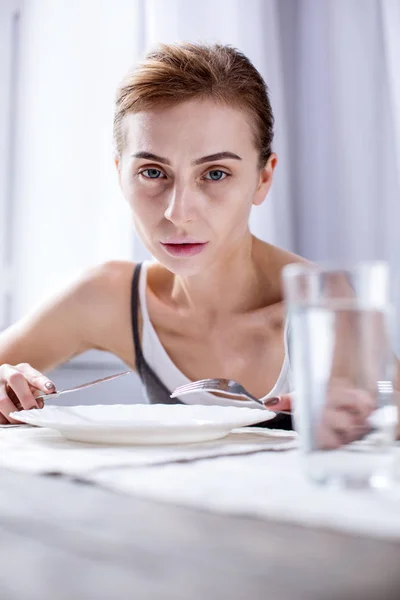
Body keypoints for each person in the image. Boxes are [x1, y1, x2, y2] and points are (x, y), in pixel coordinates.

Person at [0, 42, 387, 438]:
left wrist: (381, 409)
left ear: (263, 177)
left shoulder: (324, 304)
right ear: (120, 174)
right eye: (152, 172)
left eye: (215, 173)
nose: (177, 212)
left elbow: (390, 395)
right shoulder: (111, 298)